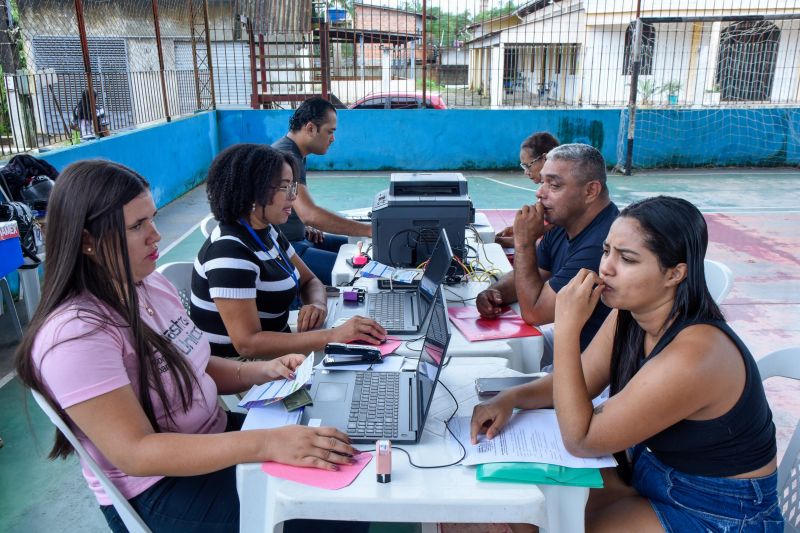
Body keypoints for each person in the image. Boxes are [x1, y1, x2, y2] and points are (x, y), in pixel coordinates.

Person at [14, 160, 364, 533]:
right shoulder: (75, 336)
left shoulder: (148, 285)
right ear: (87, 240)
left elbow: (195, 361)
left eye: (152, 218)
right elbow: (136, 452)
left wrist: (260, 370)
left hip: (212, 437)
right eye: (137, 226)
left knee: (342, 453)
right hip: (161, 486)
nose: (156, 236)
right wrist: (266, 444)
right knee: (332, 515)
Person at [471, 196, 782, 532]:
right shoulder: (630, 313)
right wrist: (509, 399)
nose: (606, 267)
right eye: (607, 251)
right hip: (654, 471)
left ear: (675, 273)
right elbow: (583, 380)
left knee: (557, 515)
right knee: (528, 500)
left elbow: (582, 440)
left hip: (715, 510)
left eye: (627, 259)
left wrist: (567, 328)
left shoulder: (695, 356)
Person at [191, 143, 386, 359]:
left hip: (277, 354)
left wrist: (316, 304)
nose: (293, 196)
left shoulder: (267, 231)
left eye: (293, 186)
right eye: (285, 187)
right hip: (247, 368)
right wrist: (334, 335)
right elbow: (248, 344)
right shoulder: (228, 253)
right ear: (252, 191)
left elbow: (309, 281)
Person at [477, 143, 619, 368]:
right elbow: (533, 274)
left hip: (590, 367)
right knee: (488, 356)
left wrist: (524, 243)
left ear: (591, 191)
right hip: (569, 342)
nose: (539, 192)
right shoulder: (564, 223)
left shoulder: (604, 246)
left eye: (553, 185)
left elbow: (534, 313)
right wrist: (494, 292)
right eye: (542, 181)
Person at [272, 96, 371, 285]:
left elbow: (301, 211)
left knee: (360, 252)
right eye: (329, 132)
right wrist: (369, 230)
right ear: (310, 128)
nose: (333, 138)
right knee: (359, 274)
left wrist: (302, 222)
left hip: (300, 237)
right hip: (284, 249)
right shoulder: (286, 156)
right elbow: (310, 214)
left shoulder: (295, 153)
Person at [495, 132, 560, 249]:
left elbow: (551, 244)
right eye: (523, 166)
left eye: (528, 165)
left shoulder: (560, 197)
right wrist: (519, 230)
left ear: (545, 159)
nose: (526, 172)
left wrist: (513, 240)